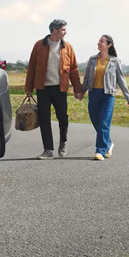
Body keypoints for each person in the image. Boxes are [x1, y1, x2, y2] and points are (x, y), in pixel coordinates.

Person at [25, 19, 83, 159]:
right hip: (43, 89)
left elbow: (73, 70)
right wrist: (29, 88)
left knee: (63, 117)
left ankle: (63, 142)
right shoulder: (39, 45)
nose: (65, 32)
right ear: (55, 30)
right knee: (44, 118)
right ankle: (48, 150)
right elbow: (31, 67)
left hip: (60, 88)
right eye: (63, 29)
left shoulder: (67, 47)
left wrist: (77, 89)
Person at [81, 34, 129, 161]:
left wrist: (128, 97)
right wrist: (81, 92)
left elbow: (121, 79)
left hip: (108, 95)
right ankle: (108, 143)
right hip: (94, 94)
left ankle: (100, 150)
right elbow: (87, 78)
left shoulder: (115, 61)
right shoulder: (92, 59)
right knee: (96, 121)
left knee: (104, 122)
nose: (99, 43)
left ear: (109, 45)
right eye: (99, 41)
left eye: (101, 42)